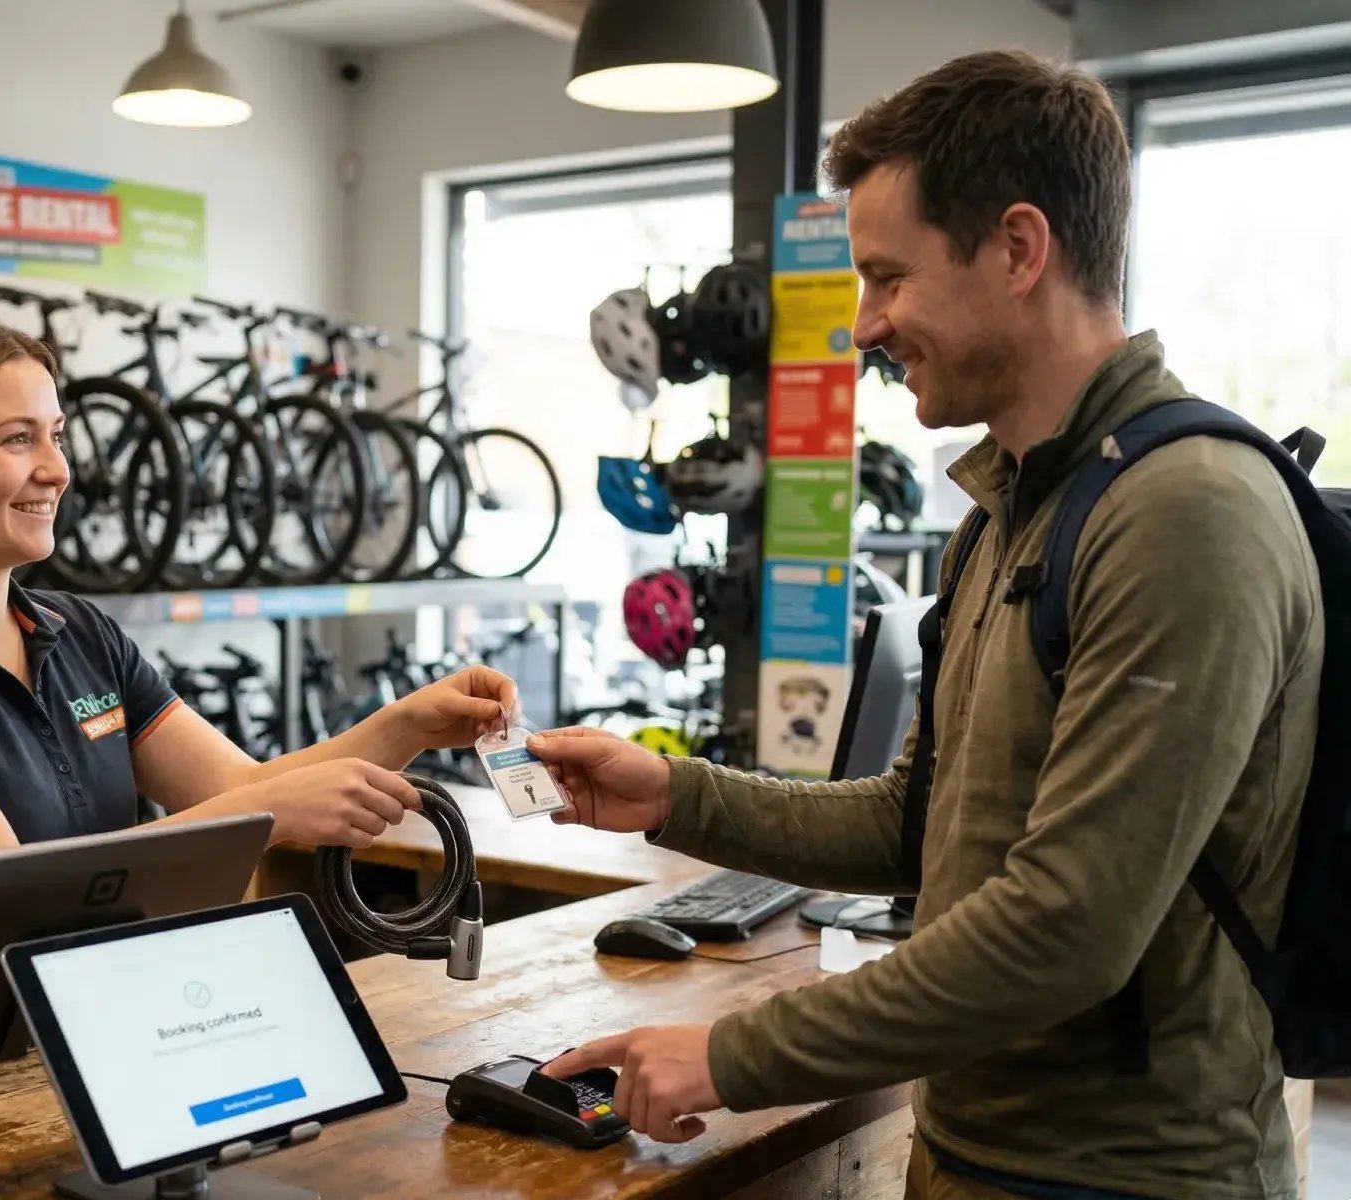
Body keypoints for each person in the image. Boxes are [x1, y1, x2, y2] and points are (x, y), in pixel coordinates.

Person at [534, 50, 1323, 1200]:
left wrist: (728, 1056)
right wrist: (672, 796)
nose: (864, 327)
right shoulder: (1008, 510)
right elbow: (917, 823)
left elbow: (1067, 928)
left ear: (1018, 249)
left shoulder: (1185, 511)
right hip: (973, 1152)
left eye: (888, 278)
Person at [0, 311, 520, 1099]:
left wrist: (406, 724)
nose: (56, 470)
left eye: (56, 435)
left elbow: (235, 788)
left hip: (82, 1063)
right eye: (17, 440)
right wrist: (267, 811)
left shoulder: (79, 632)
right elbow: (6, 902)